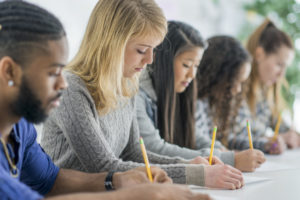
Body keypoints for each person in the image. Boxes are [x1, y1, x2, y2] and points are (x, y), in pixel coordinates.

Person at [0, 1, 212, 200]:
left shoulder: (20, 128)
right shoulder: (74, 89)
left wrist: (118, 179)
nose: (63, 83)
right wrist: (129, 194)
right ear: (9, 71)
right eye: (54, 72)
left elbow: (49, 179)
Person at [41, 0, 243, 190]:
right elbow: (103, 167)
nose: (150, 59)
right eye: (141, 50)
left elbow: (134, 153)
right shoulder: (71, 88)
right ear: (111, 44)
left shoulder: (127, 84)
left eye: (153, 49)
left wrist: (189, 164)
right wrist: (196, 174)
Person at [137, 21, 234, 165]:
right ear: (161, 60)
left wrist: (220, 150)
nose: (192, 75)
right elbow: (153, 148)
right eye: (186, 65)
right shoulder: (138, 95)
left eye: (196, 66)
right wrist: (226, 159)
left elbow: (193, 134)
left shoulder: (179, 91)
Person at [196, 36, 266, 172]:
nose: (238, 89)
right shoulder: (195, 101)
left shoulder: (216, 101)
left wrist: (265, 145)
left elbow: (226, 139)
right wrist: (232, 157)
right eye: (234, 81)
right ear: (218, 74)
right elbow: (197, 142)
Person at [231, 19, 299, 154]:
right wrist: (269, 141)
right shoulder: (236, 87)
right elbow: (232, 137)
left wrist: (293, 135)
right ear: (259, 54)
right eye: (279, 64)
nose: (282, 74)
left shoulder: (266, 90)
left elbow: (281, 126)